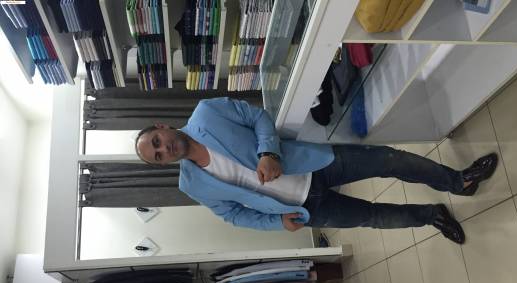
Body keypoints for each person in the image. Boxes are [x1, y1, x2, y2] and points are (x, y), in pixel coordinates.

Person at [135, 97, 498, 244]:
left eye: (157, 141)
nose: (164, 149)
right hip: (305, 209)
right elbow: (233, 215)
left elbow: (257, 117)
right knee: (374, 218)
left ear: (161, 127)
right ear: (163, 164)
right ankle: (432, 216)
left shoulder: (206, 113)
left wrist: (268, 152)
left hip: (314, 164)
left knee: (389, 160)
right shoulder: (192, 185)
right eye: (158, 156)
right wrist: (277, 223)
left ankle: (458, 181)